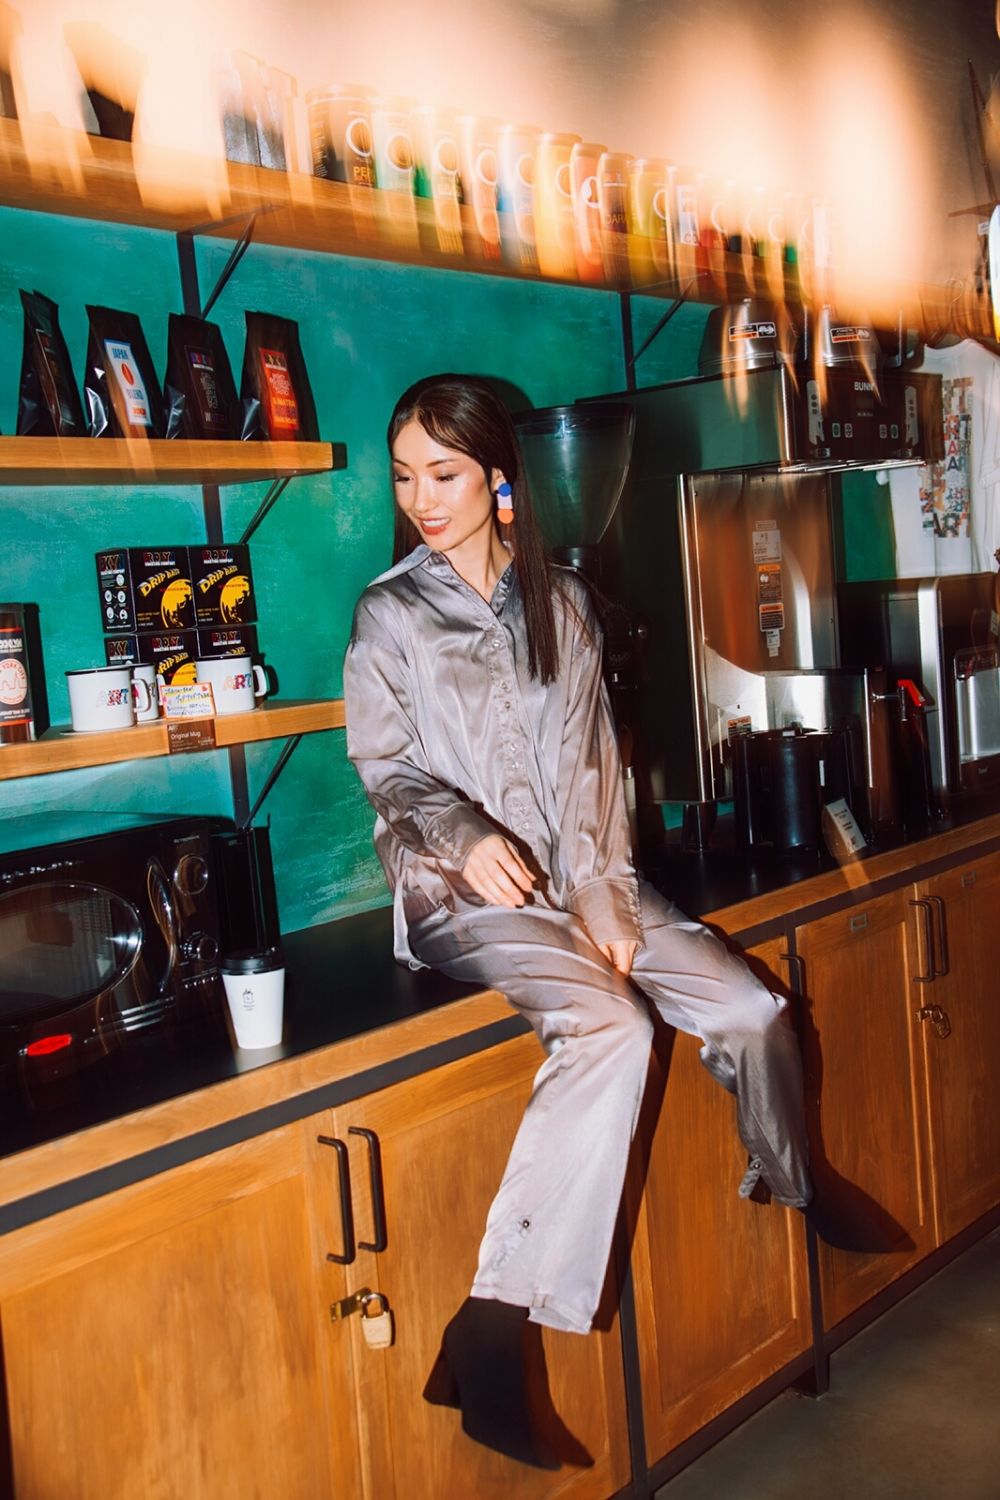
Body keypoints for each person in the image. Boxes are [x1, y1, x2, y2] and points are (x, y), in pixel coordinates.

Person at [343, 373, 900, 1470]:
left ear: (498, 476)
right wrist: (465, 836)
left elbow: (594, 765)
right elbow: (387, 768)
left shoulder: (561, 600)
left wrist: (604, 903)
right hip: (456, 893)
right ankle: (492, 1326)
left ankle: (796, 1174)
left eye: (443, 474)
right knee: (613, 1025)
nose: (421, 498)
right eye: (405, 477)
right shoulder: (390, 614)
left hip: (577, 873)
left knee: (748, 1008)